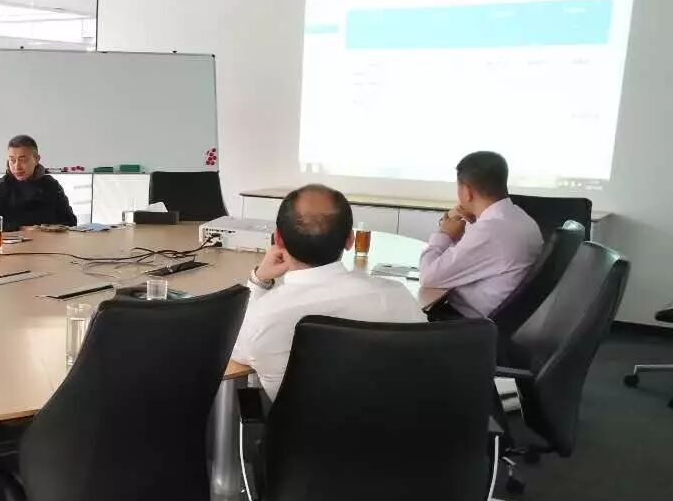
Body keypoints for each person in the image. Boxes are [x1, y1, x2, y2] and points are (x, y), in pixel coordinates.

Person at [232, 184, 425, 399]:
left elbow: (233, 348)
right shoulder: (398, 297)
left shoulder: (262, 317)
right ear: (350, 240)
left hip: (304, 421)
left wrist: (258, 281)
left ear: (278, 240)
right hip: (396, 418)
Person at [418, 151, 543, 318]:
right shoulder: (521, 218)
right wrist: (469, 229)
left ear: (467, 192)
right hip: (501, 319)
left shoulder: (489, 230)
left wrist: (444, 234)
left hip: (465, 323)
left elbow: (428, 277)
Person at [0, 135, 77, 232]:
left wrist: (45, 229)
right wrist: (21, 229)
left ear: (36, 159)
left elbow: (70, 222)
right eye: (12, 160)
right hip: (12, 242)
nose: (17, 167)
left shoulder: (51, 185)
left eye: (23, 160)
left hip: (47, 241)